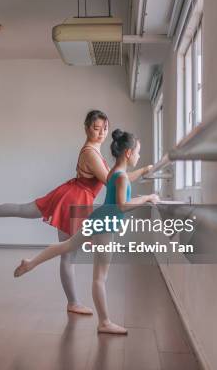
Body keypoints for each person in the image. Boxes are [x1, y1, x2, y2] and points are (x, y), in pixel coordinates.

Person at [0, 110, 152, 315]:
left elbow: (117, 176)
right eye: (96, 129)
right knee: (68, 255)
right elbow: (111, 181)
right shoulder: (90, 152)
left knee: (24, 210)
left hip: (69, 193)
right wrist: (143, 172)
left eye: (104, 129)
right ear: (86, 128)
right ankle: (72, 302)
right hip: (73, 199)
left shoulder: (95, 151)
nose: (101, 133)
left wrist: (143, 171)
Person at [13, 129, 160, 334]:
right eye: (138, 152)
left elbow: (123, 184)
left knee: (67, 246)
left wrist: (144, 171)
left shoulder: (114, 172)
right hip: (104, 227)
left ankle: (31, 262)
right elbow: (123, 205)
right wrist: (147, 198)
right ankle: (105, 322)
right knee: (100, 278)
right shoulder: (121, 178)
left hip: (97, 219)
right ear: (127, 153)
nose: (139, 156)